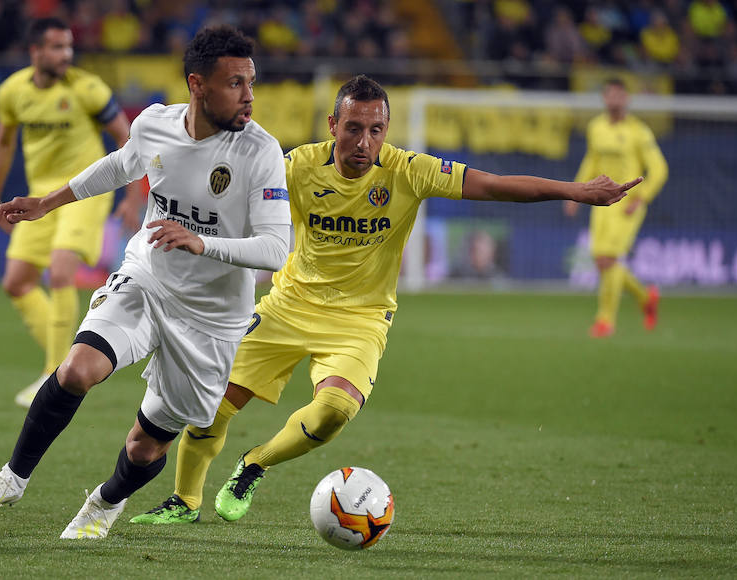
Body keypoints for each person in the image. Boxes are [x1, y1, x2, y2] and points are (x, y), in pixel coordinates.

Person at [130, 75, 641, 525]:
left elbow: (497, 185)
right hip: (289, 304)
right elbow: (228, 197)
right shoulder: (298, 166)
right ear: (332, 124)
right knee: (212, 407)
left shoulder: (408, 170)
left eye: (376, 130)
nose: (364, 141)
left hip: (361, 317)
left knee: (333, 412)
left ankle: (255, 463)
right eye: (353, 127)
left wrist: (575, 192)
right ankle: (184, 500)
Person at [0, 26, 292, 540]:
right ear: (197, 84)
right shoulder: (155, 124)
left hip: (212, 320)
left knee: (145, 446)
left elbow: (274, 248)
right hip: (148, 278)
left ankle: (105, 502)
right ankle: (11, 478)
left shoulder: (260, 152)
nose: (249, 96)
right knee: (76, 369)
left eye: (251, 82)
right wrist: (47, 202)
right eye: (236, 83)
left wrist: (203, 242)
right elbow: (121, 165)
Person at [0, 17, 142, 408]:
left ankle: (52, 372)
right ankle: (68, 358)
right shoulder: (12, 92)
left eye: (69, 46)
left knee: (60, 271)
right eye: (57, 47)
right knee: (16, 282)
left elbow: (127, 138)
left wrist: (132, 196)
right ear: (35, 51)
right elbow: (3, 144)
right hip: (40, 197)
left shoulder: (88, 88)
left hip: (83, 191)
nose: (66, 55)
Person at [564, 78, 667, 338]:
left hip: (628, 204)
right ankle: (646, 297)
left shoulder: (639, 132)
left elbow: (659, 169)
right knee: (601, 262)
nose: (615, 100)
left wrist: (641, 197)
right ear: (604, 98)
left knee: (607, 259)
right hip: (601, 201)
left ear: (627, 99)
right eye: (610, 95)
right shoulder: (596, 127)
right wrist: (575, 193)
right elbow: (591, 160)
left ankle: (605, 321)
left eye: (620, 95)